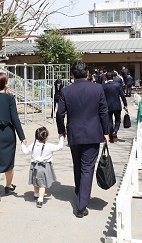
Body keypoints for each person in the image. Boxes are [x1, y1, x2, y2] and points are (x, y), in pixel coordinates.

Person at [56, 61, 110, 218]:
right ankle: (81, 205)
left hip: (74, 133)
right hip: (93, 133)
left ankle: (80, 191)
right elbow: (103, 112)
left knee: (77, 164)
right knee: (87, 167)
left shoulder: (66, 91)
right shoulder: (97, 88)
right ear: (87, 74)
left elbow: (60, 113)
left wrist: (61, 130)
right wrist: (106, 131)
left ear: (72, 75)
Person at [0, 72, 27, 204]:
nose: (8, 83)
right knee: (9, 163)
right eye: (7, 81)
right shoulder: (9, 99)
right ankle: (8, 186)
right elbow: (15, 120)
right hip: (8, 134)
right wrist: (22, 137)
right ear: (4, 84)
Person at [21, 126, 64, 208]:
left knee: (36, 182)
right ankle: (40, 200)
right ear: (46, 137)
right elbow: (59, 147)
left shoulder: (33, 145)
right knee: (42, 184)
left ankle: (36, 194)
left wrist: (23, 144)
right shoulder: (49, 146)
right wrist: (61, 138)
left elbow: (25, 151)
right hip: (44, 167)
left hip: (34, 167)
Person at [103, 72, 128, 142]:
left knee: (109, 120)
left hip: (107, 106)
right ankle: (115, 131)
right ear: (113, 77)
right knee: (118, 120)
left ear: (106, 78)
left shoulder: (104, 86)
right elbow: (122, 95)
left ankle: (111, 134)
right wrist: (125, 105)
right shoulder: (117, 85)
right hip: (117, 105)